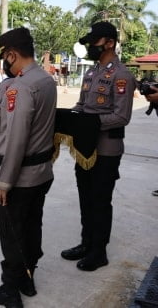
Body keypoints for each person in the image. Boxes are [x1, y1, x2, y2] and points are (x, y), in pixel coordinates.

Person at [0, 27, 56, 307]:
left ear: (11, 54)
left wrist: (4, 181)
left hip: (20, 177)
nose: (4, 63)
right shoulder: (44, 79)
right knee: (32, 228)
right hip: (41, 173)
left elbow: (18, 136)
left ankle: (10, 290)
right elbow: (19, 114)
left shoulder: (21, 86)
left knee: (11, 233)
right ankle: (27, 279)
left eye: (4, 57)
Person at [60, 21, 135, 272]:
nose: (91, 47)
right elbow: (81, 106)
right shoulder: (91, 73)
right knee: (85, 197)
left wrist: (88, 124)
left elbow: (121, 116)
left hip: (106, 149)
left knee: (100, 201)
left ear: (109, 43)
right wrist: (69, 118)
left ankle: (99, 251)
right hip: (85, 148)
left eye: (94, 42)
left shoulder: (121, 75)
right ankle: (86, 242)